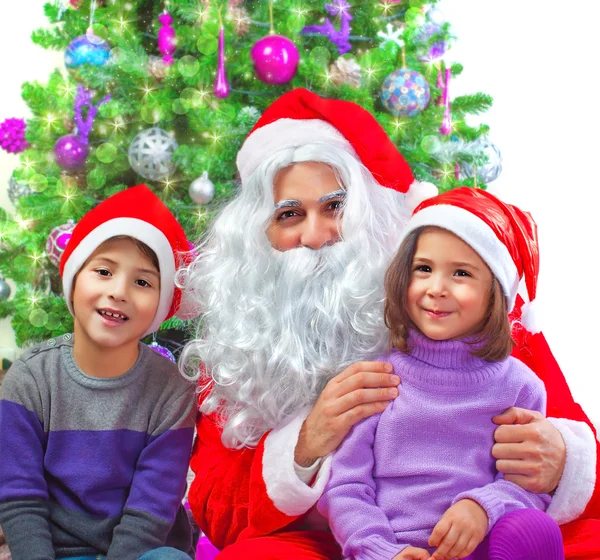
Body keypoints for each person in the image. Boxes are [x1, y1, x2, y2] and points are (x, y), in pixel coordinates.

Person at [181, 89, 600, 559]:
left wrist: (562, 459)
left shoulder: (462, 311)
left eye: (335, 207)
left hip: (478, 533)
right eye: (289, 214)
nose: (315, 237)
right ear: (259, 236)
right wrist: (304, 446)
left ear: (372, 217)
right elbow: (217, 514)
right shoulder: (237, 348)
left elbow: (584, 459)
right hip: (327, 542)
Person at [318, 187, 564, 560]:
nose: (436, 289)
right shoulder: (375, 380)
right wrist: (381, 550)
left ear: (495, 293)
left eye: (461, 273)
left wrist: (483, 506)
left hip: (484, 546)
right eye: (424, 269)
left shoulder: (520, 386)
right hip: (394, 548)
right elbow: (347, 487)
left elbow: (530, 484)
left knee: (534, 529)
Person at [0, 186, 196, 560]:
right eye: (103, 271)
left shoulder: (171, 390)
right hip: (55, 551)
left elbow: (151, 510)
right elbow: (20, 497)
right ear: (74, 282)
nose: (119, 291)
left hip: (141, 551)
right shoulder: (31, 378)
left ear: (159, 304)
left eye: (142, 282)